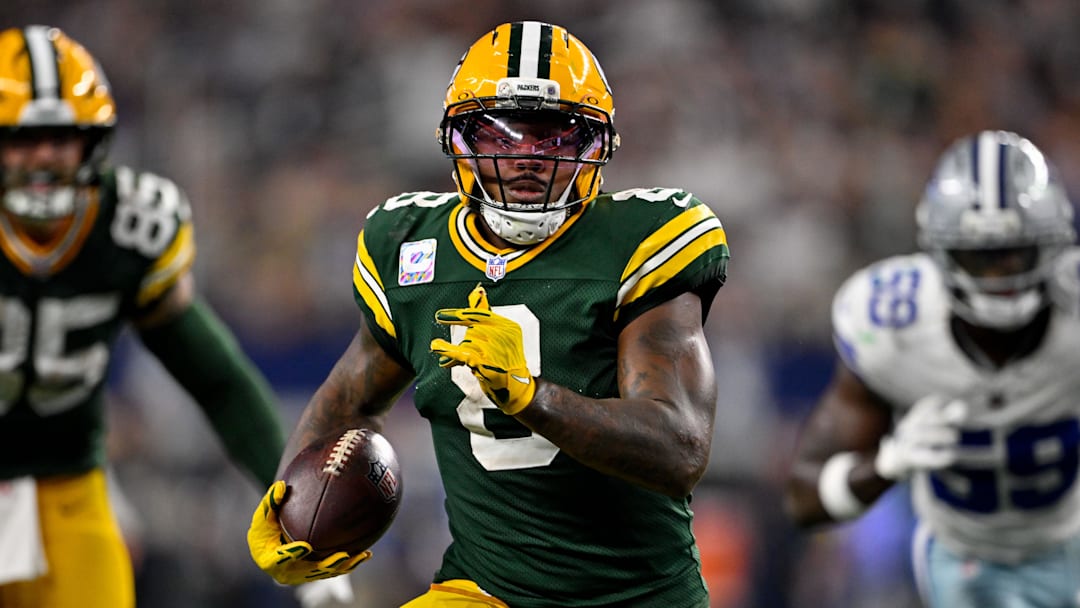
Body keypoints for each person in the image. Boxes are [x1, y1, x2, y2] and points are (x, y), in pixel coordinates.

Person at [247, 20, 731, 607]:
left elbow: (679, 448)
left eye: (552, 137)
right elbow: (350, 400)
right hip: (485, 590)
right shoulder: (408, 246)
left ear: (596, 146)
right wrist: (294, 512)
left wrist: (530, 396)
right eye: (501, 134)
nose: (525, 158)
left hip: (639, 598)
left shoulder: (643, 241)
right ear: (458, 140)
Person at [0, 25, 351, 608]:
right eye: (23, 139)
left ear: (93, 142)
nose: (43, 158)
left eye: (60, 137)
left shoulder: (129, 227)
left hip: (68, 488)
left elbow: (219, 382)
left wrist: (298, 514)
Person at [783, 130, 1080, 607]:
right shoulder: (893, 323)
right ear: (941, 251)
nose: (1000, 276)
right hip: (963, 556)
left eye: (1015, 253)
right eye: (980, 257)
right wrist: (887, 463)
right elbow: (804, 498)